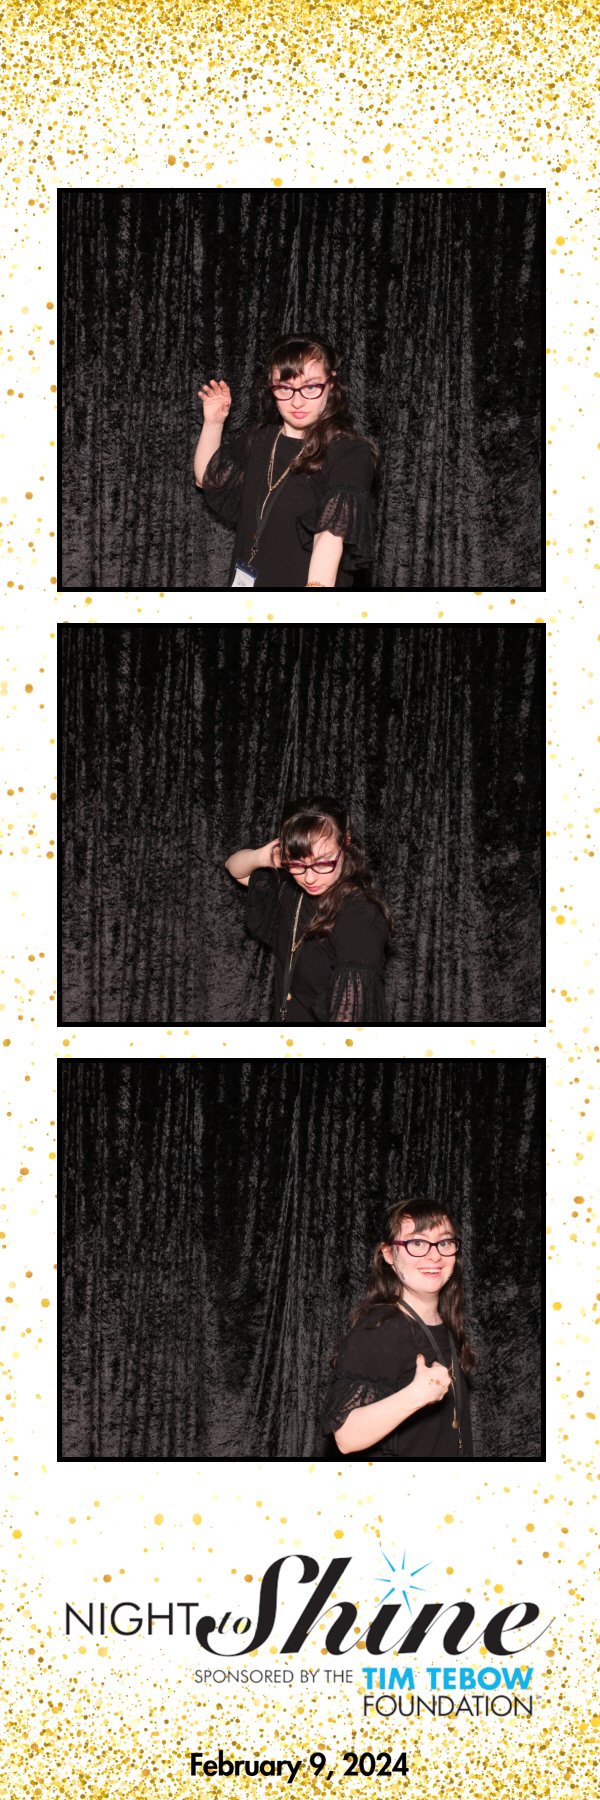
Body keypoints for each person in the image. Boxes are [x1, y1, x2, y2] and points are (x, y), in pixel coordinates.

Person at [194, 333, 377, 590]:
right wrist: (213, 423)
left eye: (310, 387)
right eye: (285, 388)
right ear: (271, 386)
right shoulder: (261, 438)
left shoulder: (350, 451)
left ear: (331, 384)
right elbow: (207, 479)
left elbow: (330, 535)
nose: (297, 401)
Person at [321, 1200, 475, 1459]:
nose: (434, 1255)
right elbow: (345, 1437)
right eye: (417, 1243)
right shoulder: (379, 1330)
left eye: (444, 1242)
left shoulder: (446, 1325)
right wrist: (416, 1395)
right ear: (389, 1254)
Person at [224, 795, 392, 1023]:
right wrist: (265, 856)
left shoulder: (360, 916)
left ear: (346, 842)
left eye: (323, 862)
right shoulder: (291, 890)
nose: (309, 878)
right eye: (297, 863)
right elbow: (234, 868)